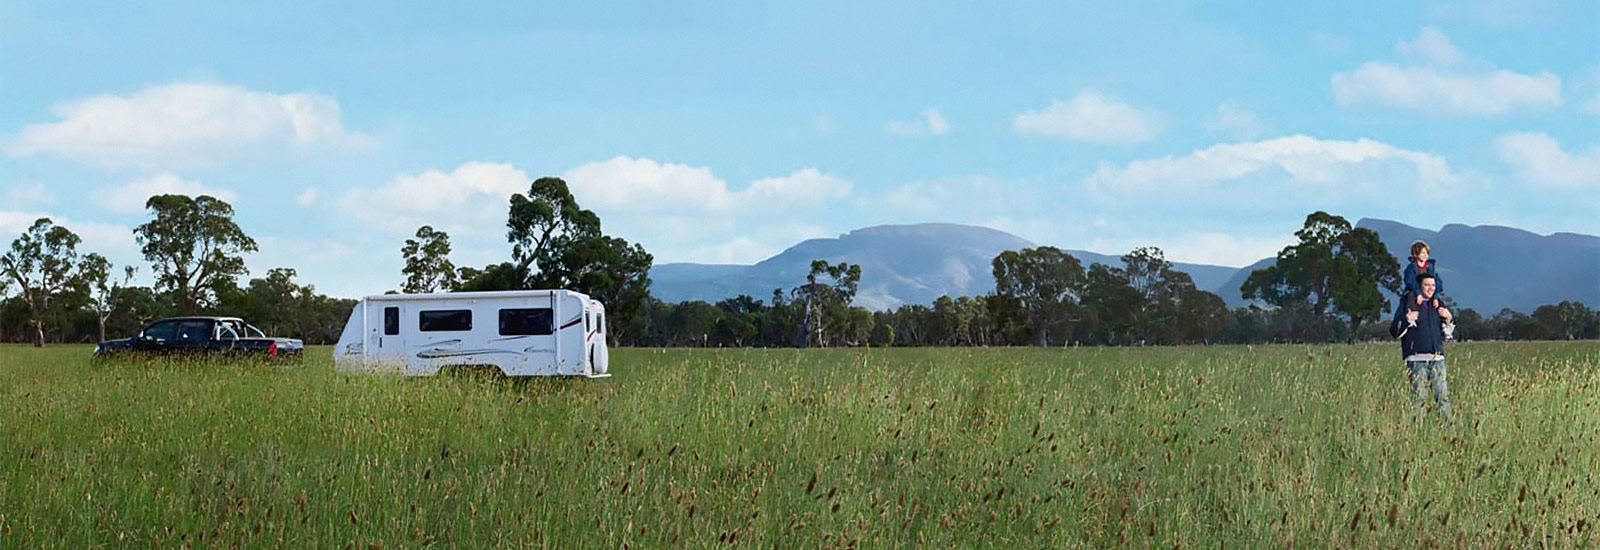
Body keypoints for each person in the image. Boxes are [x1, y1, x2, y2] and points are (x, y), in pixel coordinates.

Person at [1390, 272, 1453, 426]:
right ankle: (1419, 431)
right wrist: (1407, 319)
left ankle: (1447, 429)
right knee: (1419, 398)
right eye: (1427, 285)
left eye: (1433, 285)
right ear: (1419, 286)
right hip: (1416, 358)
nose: (1430, 288)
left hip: (1437, 357)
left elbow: (1447, 333)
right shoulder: (1408, 303)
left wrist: (1449, 318)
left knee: (1442, 397)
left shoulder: (1438, 305)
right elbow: (1394, 330)